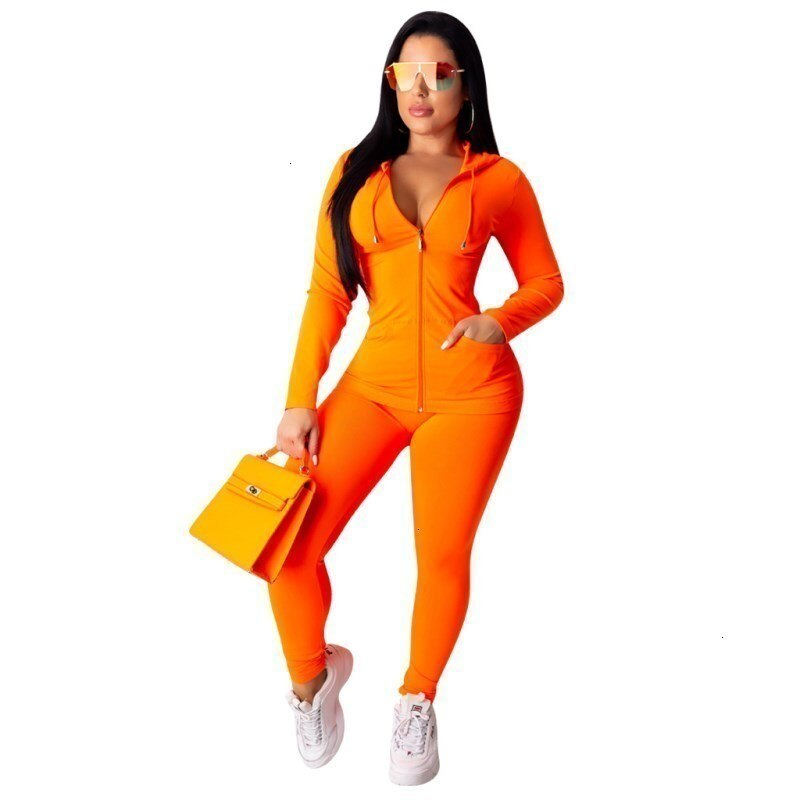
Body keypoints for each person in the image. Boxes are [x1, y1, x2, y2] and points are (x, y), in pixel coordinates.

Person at [271, 11, 564, 785]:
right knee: (288, 548)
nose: (423, 89)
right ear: (390, 81)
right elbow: (328, 293)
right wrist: (301, 400)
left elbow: (545, 281)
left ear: (466, 87)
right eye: (409, 72)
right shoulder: (354, 171)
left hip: (474, 395)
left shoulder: (499, 180)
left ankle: (416, 700)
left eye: (441, 74)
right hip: (373, 389)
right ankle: (312, 678)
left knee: (439, 554)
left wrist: (499, 321)